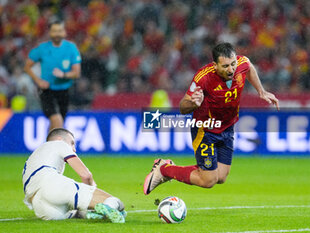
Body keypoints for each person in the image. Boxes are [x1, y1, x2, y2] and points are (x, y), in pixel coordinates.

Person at [143, 42, 279, 195]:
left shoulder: (241, 63)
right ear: (215, 65)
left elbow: (249, 67)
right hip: (206, 129)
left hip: (228, 126)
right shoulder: (203, 77)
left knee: (220, 177)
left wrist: (261, 91)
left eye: (233, 64)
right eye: (226, 66)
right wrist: (194, 103)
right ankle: (164, 170)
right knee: (208, 180)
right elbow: (183, 107)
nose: (231, 69)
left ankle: (167, 167)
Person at [22, 128, 126, 223]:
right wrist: (92, 191)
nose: (74, 149)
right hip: (52, 186)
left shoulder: (33, 157)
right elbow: (85, 175)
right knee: (117, 203)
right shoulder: (59, 144)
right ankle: (108, 207)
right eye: (72, 143)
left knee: (77, 213)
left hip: (39, 206)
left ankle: (93, 213)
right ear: (59, 139)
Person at [24, 20, 81, 131]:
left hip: (64, 90)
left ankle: (49, 145)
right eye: (54, 31)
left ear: (64, 33)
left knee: (58, 124)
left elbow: (77, 73)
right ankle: (53, 147)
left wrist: (63, 74)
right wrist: (38, 80)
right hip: (47, 90)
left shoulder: (71, 48)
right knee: (57, 120)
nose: (57, 34)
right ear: (50, 33)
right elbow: (27, 66)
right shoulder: (42, 48)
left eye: (59, 31)